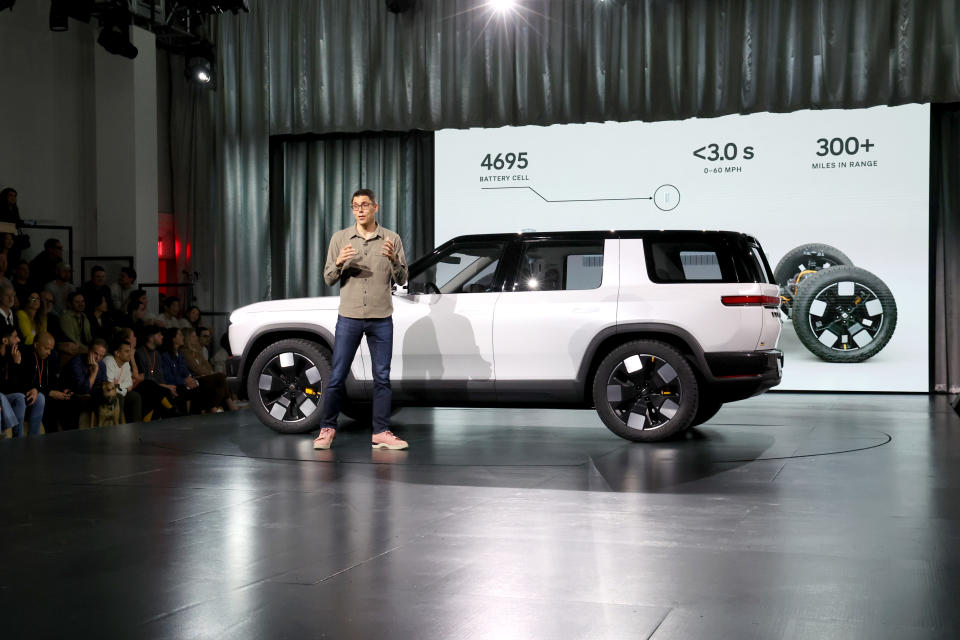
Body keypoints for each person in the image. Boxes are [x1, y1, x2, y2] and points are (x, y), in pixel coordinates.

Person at [314, 188, 409, 450]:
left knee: (382, 377)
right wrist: (340, 263)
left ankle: (381, 431)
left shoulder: (391, 239)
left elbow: (402, 279)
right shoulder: (340, 239)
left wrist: (393, 260)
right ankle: (327, 429)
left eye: (365, 205)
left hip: (381, 318)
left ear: (375, 208)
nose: (359, 209)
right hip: (350, 317)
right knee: (337, 376)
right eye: (355, 205)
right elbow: (329, 278)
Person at [21, 332, 74, 432]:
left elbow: (53, 380)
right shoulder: (26, 355)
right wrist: (49, 392)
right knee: (50, 406)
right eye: (46, 348)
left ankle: (69, 438)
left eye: (51, 349)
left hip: (44, 392)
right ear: (36, 345)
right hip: (29, 396)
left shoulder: (48, 357)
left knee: (70, 402)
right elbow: (26, 384)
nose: (49, 352)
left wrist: (63, 389)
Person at [0, 324, 44, 436]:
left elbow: (20, 384)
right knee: (20, 398)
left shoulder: (14, 354)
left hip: (10, 394)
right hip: (3, 396)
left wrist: (34, 389)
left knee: (40, 397)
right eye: (15, 337)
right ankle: (18, 438)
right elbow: (5, 387)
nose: (19, 340)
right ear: (5, 340)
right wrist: (16, 365)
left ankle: (34, 438)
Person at [181, 327, 235, 411]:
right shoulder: (185, 352)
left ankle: (218, 407)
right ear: (187, 338)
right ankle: (222, 406)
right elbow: (197, 368)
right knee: (220, 377)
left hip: (204, 377)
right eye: (193, 336)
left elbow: (207, 365)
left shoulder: (197, 352)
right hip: (196, 378)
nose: (196, 339)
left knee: (221, 379)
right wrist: (209, 373)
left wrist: (209, 373)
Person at [102, 339, 144, 423]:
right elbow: (109, 386)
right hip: (105, 394)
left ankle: (137, 426)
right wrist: (123, 389)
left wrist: (118, 387)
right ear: (117, 353)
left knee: (135, 396)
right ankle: (118, 427)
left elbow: (129, 384)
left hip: (118, 392)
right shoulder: (108, 361)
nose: (130, 354)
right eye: (127, 351)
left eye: (130, 351)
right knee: (119, 397)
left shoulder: (126, 363)